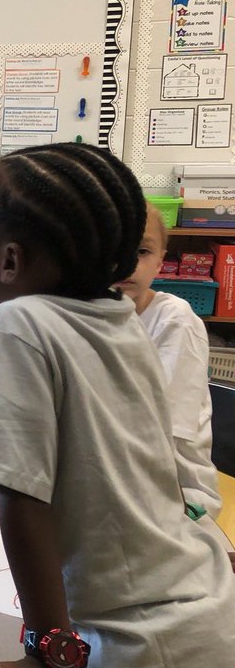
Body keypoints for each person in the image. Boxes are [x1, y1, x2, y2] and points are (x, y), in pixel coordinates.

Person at [0, 144, 235, 668]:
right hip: (212, 628)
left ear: (9, 259)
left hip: (143, 666)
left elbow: (25, 501)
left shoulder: (20, 321)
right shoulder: (120, 315)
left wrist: (48, 659)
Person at [115, 202, 221, 517]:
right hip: (111, 479)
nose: (126, 264)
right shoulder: (90, 317)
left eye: (142, 252)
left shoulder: (175, 321)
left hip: (177, 490)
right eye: (112, 250)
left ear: (161, 261)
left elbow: (161, 429)